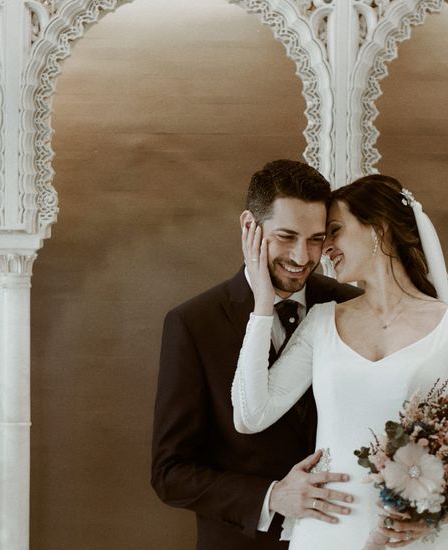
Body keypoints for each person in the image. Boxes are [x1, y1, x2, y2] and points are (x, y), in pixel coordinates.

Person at [232, 174, 448, 549]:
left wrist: (433, 517)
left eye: (334, 231)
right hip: (326, 534)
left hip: (411, 539)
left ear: (378, 228)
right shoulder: (322, 322)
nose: (324, 248)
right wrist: (262, 304)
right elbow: (250, 415)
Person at [151, 159, 364, 550]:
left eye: (316, 239)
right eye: (286, 236)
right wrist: (271, 497)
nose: (302, 257)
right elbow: (170, 473)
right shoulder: (193, 323)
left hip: (344, 537)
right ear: (250, 226)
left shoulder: (351, 306)